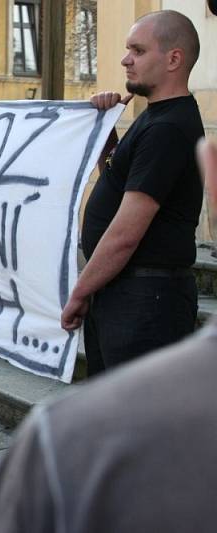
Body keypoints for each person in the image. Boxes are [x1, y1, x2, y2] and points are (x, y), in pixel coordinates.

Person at [0, 137, 217, 533]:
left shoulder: (66, 435)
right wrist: (107, 148)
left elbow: (126, 231)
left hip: (140, 297)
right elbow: (120, 188)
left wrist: (80, 290)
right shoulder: (153, 127)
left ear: (212, 178)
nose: (125, 68)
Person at [61, 10, 204, 376]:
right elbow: (117, 177)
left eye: (137, 51)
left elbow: (126, 233)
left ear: (174, 59)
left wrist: (80, 291)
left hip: (146, 302)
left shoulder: (169, 128)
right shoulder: (155, 116)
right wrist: (106, 132)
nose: (125, 59)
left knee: (137, 426)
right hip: (128, 296)